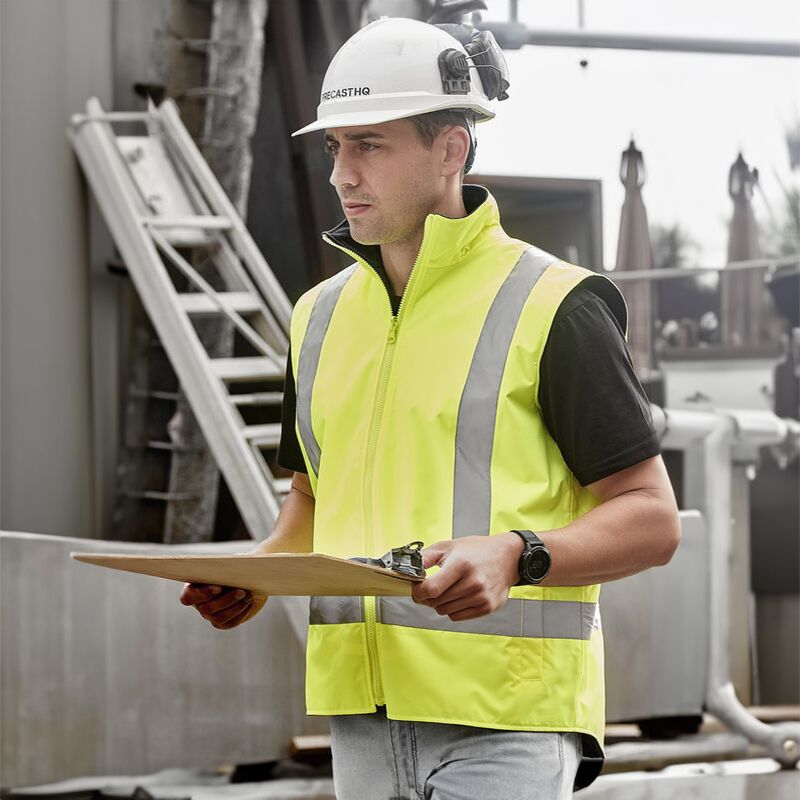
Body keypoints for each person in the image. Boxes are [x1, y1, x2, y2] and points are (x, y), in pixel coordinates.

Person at [180, 17, 681, 799]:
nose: (343, 174)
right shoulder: (316, 317)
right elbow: (310, 504)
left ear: (451, 148)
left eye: (369, 145)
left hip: (506, 717)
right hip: (360, 721)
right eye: (335, 147)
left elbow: (652, 518)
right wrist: (258, 575)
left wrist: (517, 553)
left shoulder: (555, 305)